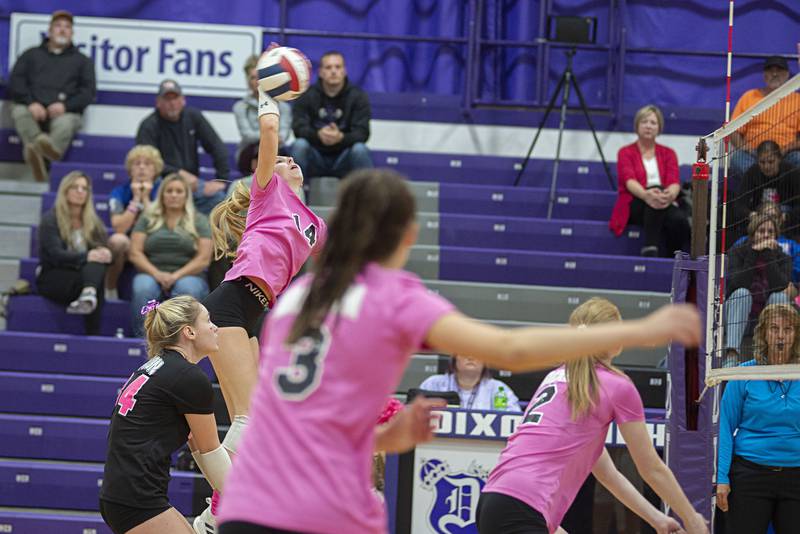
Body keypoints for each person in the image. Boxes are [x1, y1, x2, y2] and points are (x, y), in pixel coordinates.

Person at [214, 168, 701, 534]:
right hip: (321, 511)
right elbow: (509, 348)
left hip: (248, 505)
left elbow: (303, 430)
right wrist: (641, 329)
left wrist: (386, 436)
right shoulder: (394, 295)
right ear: (407, 236)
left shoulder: (293, 302)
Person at [193, 70, 326, 532]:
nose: (289, 160)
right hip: (230, 304)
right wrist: (268, 92)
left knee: (252, 422)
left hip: (253, 312)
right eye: (283, 160)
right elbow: (270, 131)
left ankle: (215, 512)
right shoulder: (266, 196)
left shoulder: (315, 224)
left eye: (292, 160)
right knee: (250, 418)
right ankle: (213, 516)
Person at [478, 298, 708, 534]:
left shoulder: (558, 376)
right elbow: (651, 468)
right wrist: (692, 518)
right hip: (524, 507)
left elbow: (607, 473)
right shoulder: (616, 385)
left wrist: (657, 519)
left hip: (496, 499)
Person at [99, 295, 233, 534]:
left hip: (125, 493)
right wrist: (244, 498)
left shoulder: (158, 367)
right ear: (189, 332)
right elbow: (211, 449)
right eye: (208, 320)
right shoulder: (188, 377)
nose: (215, 327)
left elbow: (199, 446)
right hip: (137, 499)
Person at [716, 303, 800, 534]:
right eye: (774, 328)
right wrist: (721, 478)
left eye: (788, 329)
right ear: (763, 333)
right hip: (750, 475)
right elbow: (724, 427)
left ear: (796, 335)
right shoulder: (744, 374)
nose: (781, 335)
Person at [8, 10, 95, 182]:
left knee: (67, 122)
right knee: (19, 112)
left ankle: (37, 155)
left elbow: (88, 92)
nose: (62, 30)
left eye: (67, 27)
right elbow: (16, 82)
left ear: (72, 32)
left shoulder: (82, 61)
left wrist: (65, 106)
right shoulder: (30, 55)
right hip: (32, 109)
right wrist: (31, 103)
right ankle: (43, 148)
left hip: (64, 112)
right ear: (49, 30)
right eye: (58, 26)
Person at [128, 174, 212, 337]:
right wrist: (157, 274)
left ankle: (179, 340)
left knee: (187, 289)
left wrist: (175, 276)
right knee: (143, 288)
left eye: (179, 191)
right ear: (162, 195)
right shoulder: (147, 218)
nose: (174, 195)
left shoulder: (199, 220)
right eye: (169, 191)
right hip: (151, 272)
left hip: (189, 274)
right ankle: (146, 338)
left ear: (186, 196)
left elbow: (203, 258)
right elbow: (135, 253)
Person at [135, 79, 229, 215]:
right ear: (158, 103)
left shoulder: (193, 117)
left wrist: (221, 179)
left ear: (183, 100)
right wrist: (178, 173)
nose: (172, 103)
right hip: (161, 183)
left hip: (192, 184)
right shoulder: (148, 126)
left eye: (175, 98)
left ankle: (206, 234)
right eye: (167, 99)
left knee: (218, 199)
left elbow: (217, 147)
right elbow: (147, 162)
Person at [609, 104, 690, 257]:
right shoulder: (625, 152)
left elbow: (674, 182)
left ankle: (673, 257)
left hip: (664, 199)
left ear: (659, 128)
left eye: (653, 123)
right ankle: (650, 246)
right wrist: (647, 195)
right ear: (637, 126)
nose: (648, 126)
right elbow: (629, 180)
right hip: (635, 201)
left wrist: (669, 195)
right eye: (644, 122)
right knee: (655, 196)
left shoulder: (669, 153)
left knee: (679, 220)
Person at [37, 171, 110, 334]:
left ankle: (88, 296)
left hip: (82, 277)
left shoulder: (93, 222)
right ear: (65, 191)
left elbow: (101, 249)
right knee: (94, 277)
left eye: (84, 188)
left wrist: (105, 253)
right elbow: (55, 254)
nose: (80, 191)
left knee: (97, 265)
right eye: (75, 187)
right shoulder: (51, 219)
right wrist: (87, 256)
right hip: (54, 276)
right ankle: (93, 335)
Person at [291, 51, 373, 180]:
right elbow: (298, 128)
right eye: (328, 67)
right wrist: (318, 135)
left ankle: (367, 199)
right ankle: (291, 198)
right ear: (321, 72)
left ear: (344, 71)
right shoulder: (307, 95)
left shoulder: (358, 96)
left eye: (338, 67)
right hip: (315, 156)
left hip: (344, 157)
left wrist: (341, 137)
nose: (333, 71)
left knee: (360, 150)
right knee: (299, 146)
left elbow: (362, 133)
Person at [724, 213, 793, 364]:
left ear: (776, 236)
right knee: (742, 293)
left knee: (780, 297)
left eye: (770, 232)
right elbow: (738, 283)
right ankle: (732, 355)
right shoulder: (738, 252)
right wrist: (754, 253)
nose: (766, 235)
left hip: (764, 320)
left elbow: (780, 285)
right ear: (753, 234)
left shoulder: (783, 258)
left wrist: (768, 255)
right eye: (761, 231)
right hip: (736, 315)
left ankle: (773, 356)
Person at [106, 145, 164, 300]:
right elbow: (119, 227)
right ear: (130, 169)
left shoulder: (164, 190)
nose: (142, 167)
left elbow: (158, 225)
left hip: (156, 241)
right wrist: (136, 199)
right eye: (137, 163)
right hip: (128, 243)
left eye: (147, 163)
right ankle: (110, 289)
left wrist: (145, 198)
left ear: (156, 169)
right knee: (117, 241)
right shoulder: (119, 192)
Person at [729, 56, 800, 178]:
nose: (774, 74)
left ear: (787, 75)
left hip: (786, 154)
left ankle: (784, 191)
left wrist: (786, 149)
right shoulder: (749, 96)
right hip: (754, 155)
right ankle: (760, 189)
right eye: (770, 70)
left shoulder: (797, 100)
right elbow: (734, 131)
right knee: (736, 159)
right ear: (764, 75)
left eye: (779, 70)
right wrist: (747, 149)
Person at [730, 140, 800, 243]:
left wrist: (787, 216)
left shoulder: (792, 172)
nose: (766, 166)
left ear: (779, 159)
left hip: (786, 219)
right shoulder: (752, 173)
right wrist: (752, 215)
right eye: (762, 162)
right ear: (757, 160)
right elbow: (739, 205)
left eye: (771, 162)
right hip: (759, 218)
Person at [233, 54, 293, 159]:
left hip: (277, 149)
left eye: (261, 77)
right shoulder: (240, 107)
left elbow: (284, 134)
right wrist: (271, 136)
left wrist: (273, 138)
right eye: (253, 78)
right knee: (256, 150)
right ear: (248, 81)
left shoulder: (283, 107)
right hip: (249, 152)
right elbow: (247, 135)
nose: (258, 81)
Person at [419, 355, 522, 412]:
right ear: (454, 359)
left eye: (476, 352)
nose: (470, 357)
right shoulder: (432, 384)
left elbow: (514, 422)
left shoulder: (499, 389)